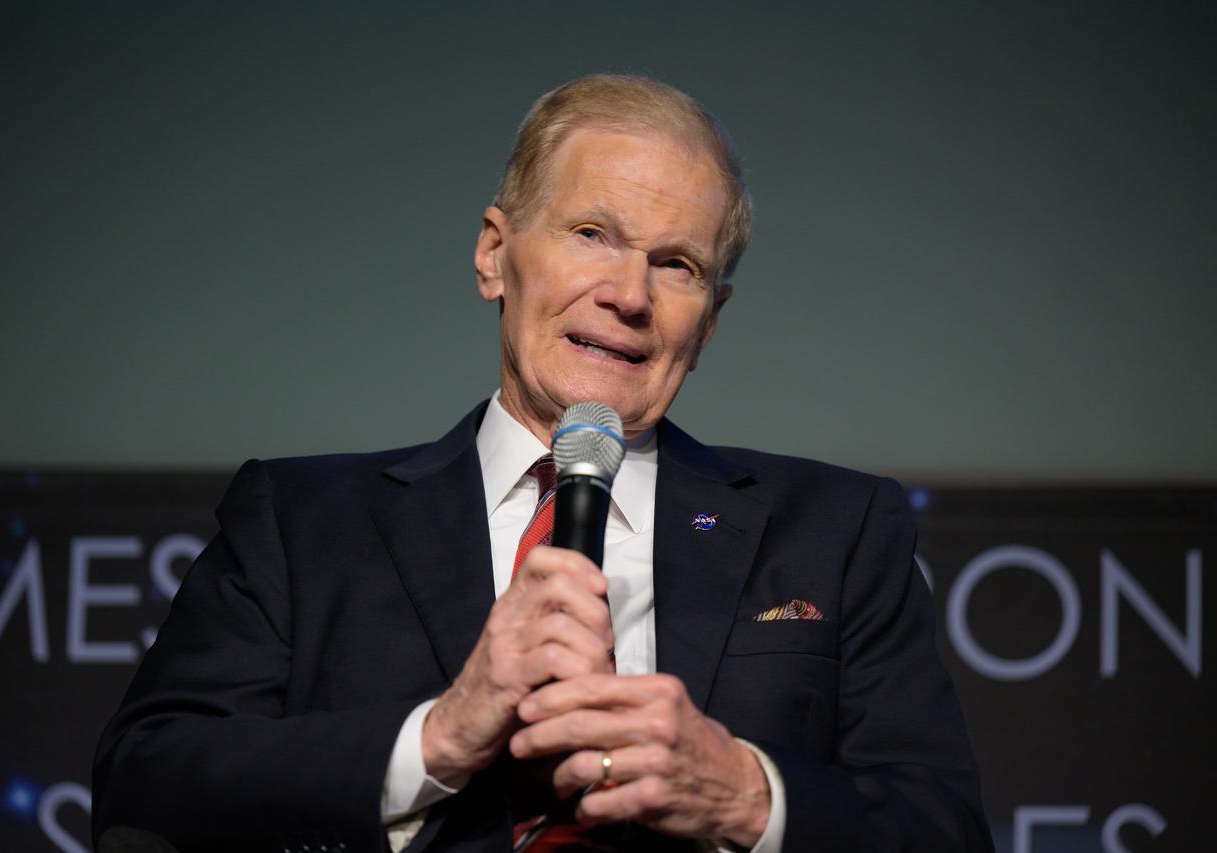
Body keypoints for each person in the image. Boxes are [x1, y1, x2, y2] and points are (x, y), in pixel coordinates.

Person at [93, 74, 992, 852]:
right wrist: (434, 741)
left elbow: (943, 828)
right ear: (495, 254)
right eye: (592, 233)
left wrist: (743, 792)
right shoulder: (299, 519)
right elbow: (147, 778)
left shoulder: (837, 531)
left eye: (675, 264)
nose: (629, 295)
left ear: (708, 323)